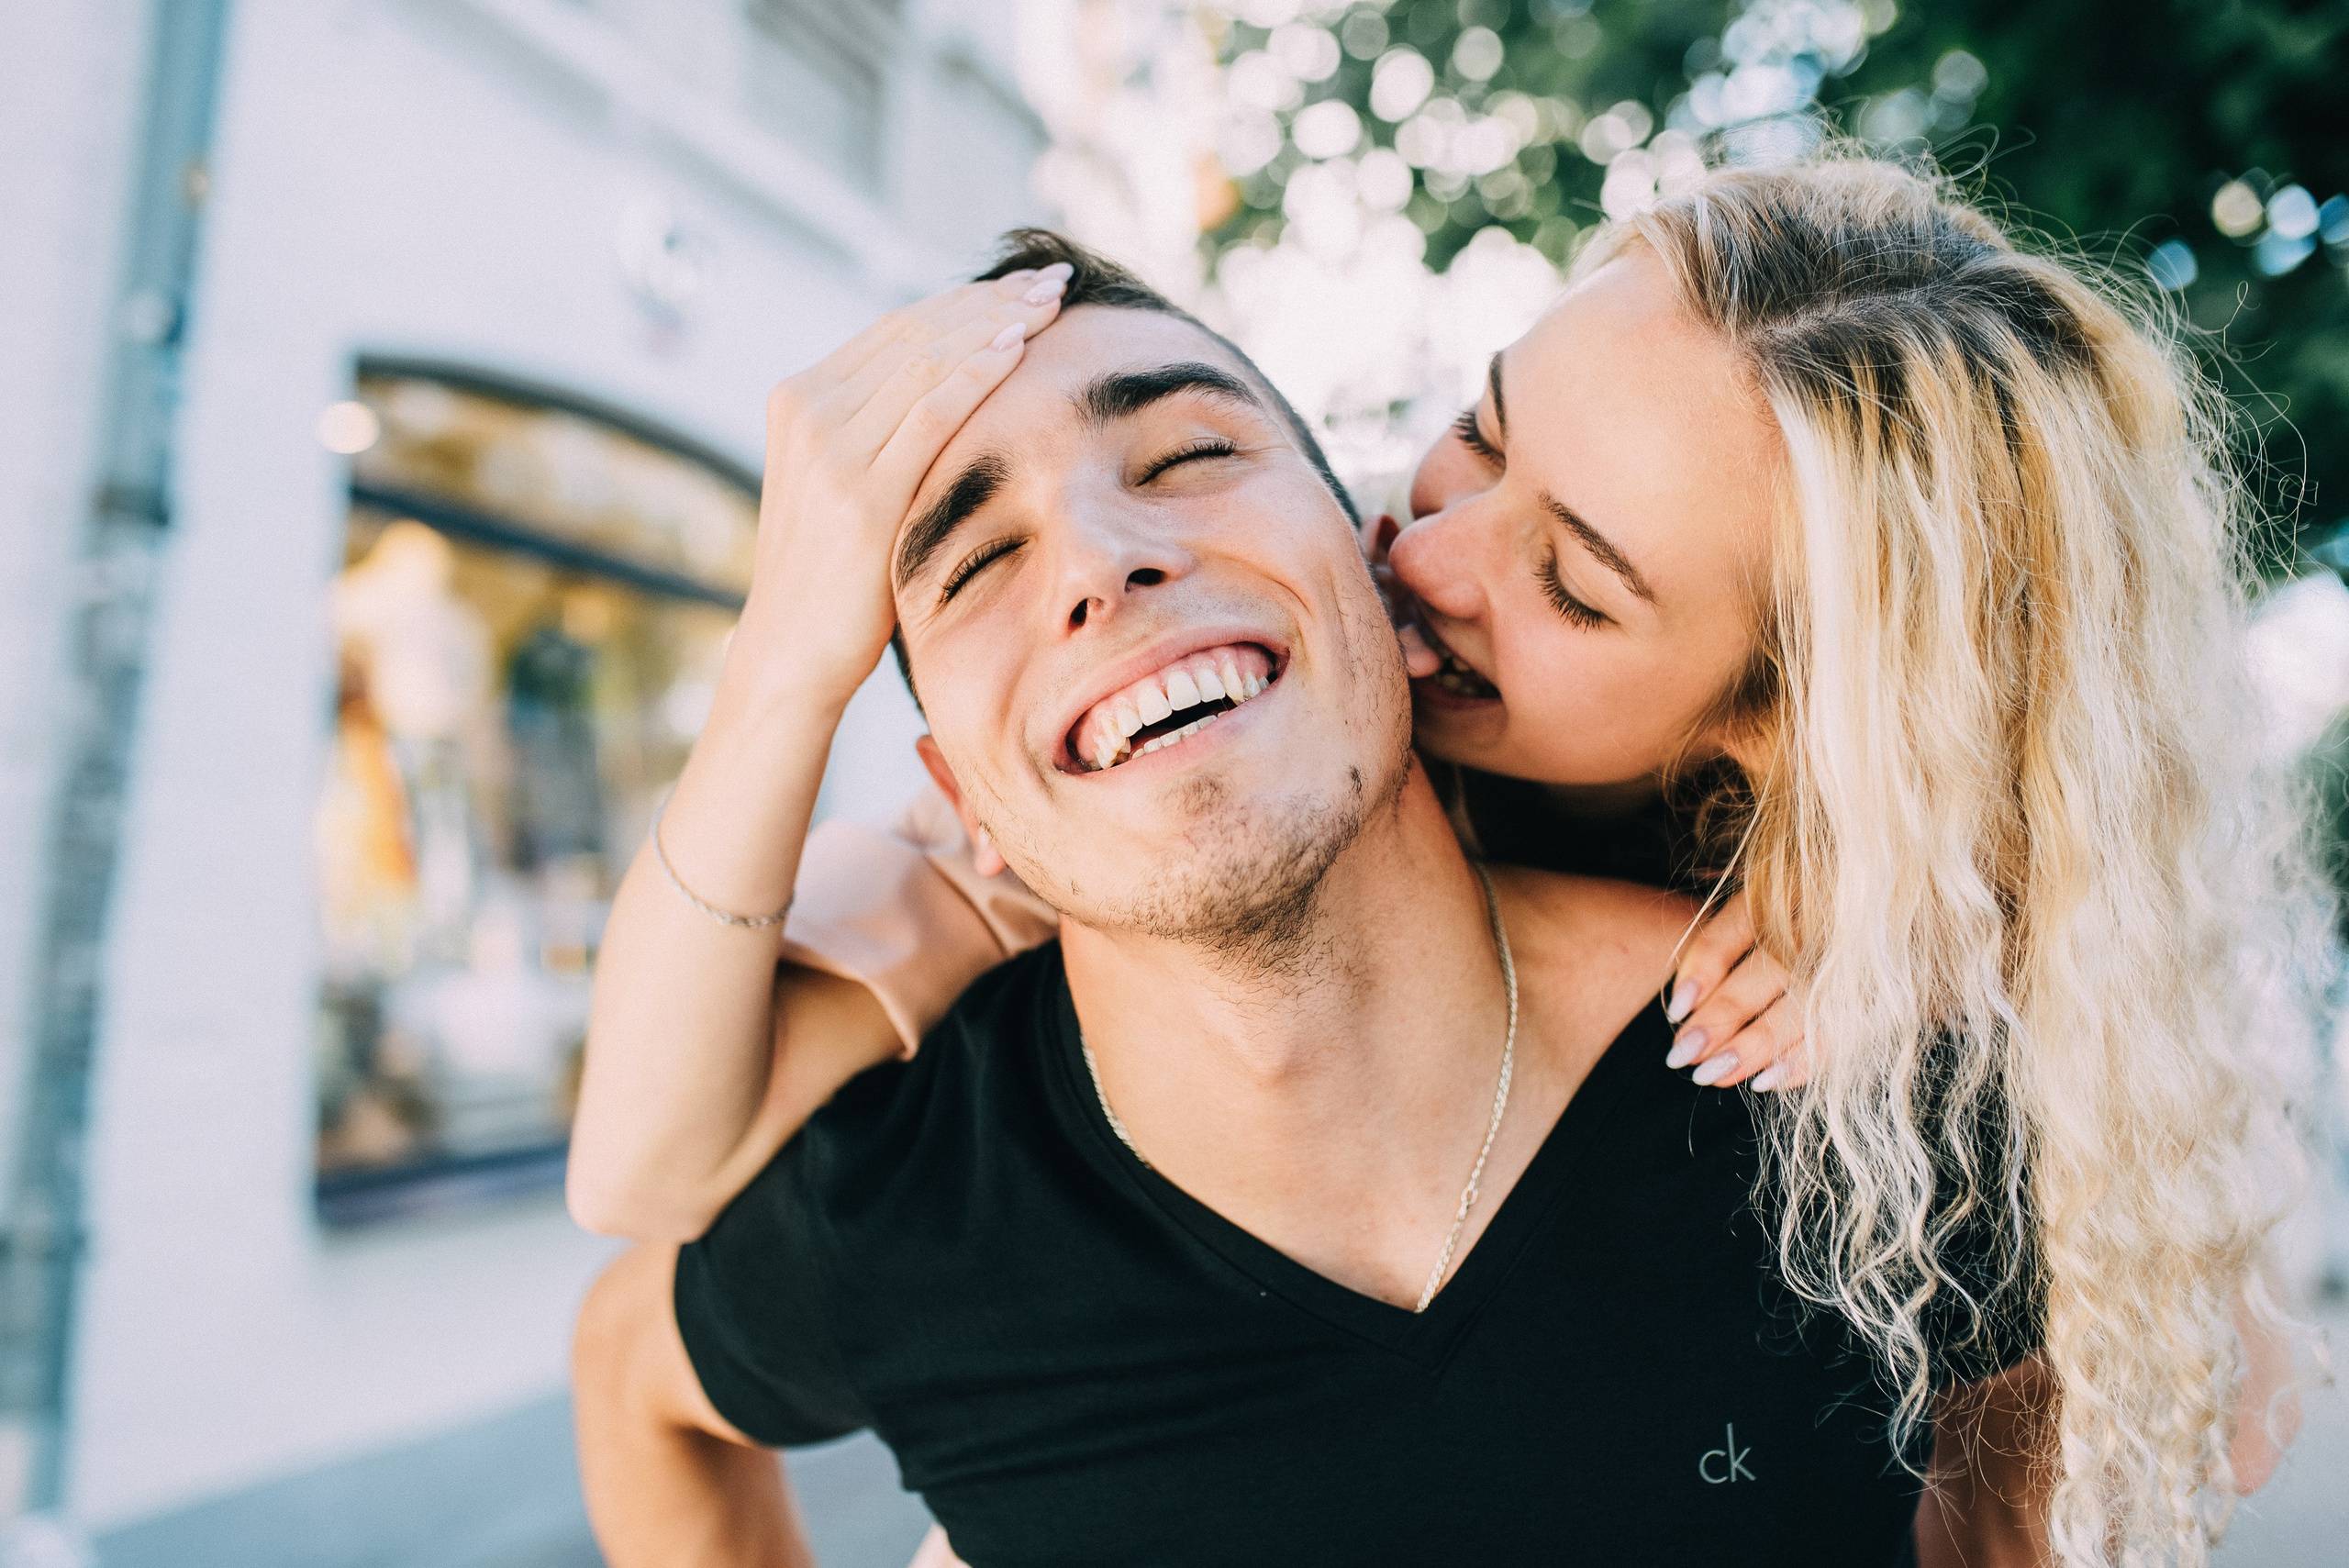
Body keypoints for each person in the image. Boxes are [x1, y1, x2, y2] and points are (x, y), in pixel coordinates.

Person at [571, 231, 2050, 1566]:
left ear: (1367, 586)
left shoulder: (1856, 1072)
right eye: (978, 558)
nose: (1099, 556)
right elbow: (633, 1339)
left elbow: (2102, 1419)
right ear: (964, 804)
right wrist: (783, 660)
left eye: (1182, 456)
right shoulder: (907, 1189)